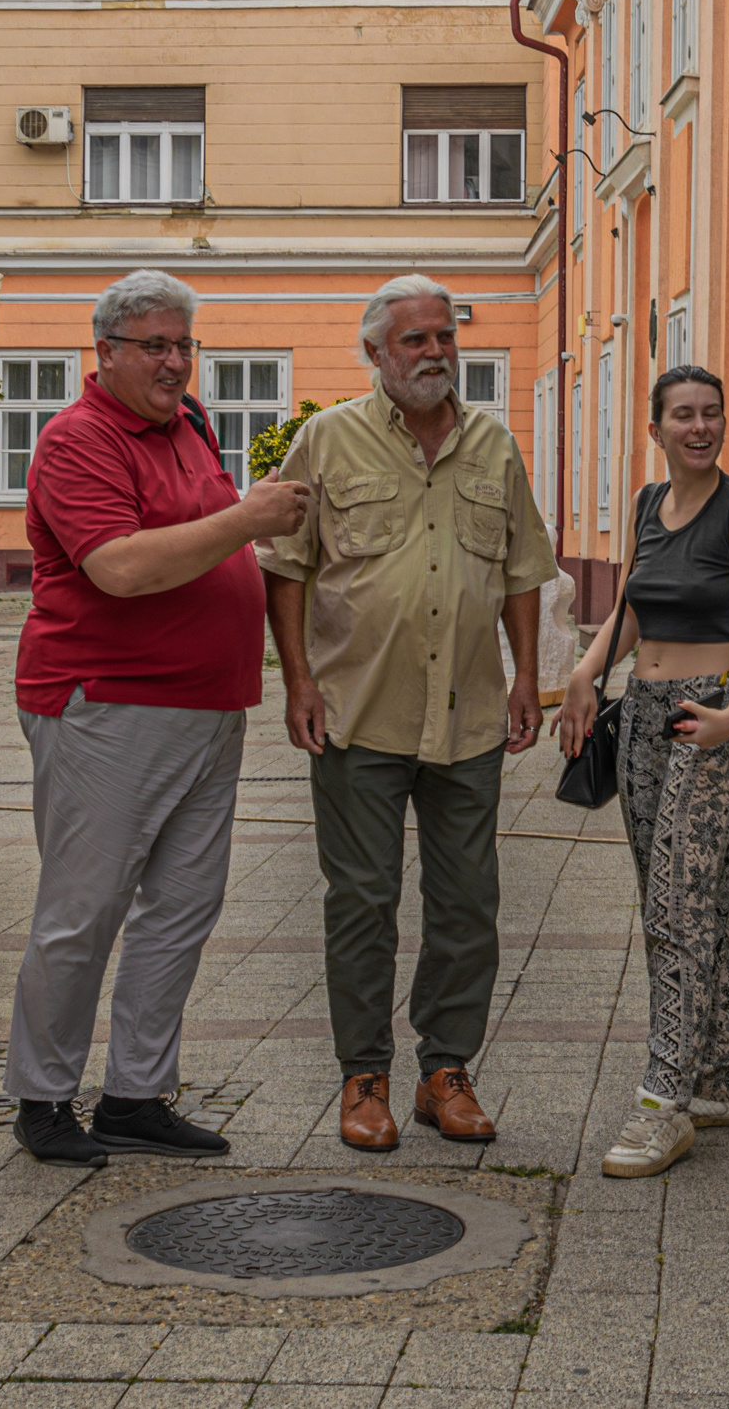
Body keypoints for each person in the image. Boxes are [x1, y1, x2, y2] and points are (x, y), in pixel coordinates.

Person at [5, 269, 310, 1168]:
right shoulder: (78, 439)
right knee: (84, 908)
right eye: (155, 346)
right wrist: (249, 515)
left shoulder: (191, 426)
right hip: (107, 702)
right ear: (104, 353)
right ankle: (45, 1094)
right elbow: (123, 568)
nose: (176, 362)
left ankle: (138, 1092)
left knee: (181, 906)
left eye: (185, 344)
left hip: (206, 705)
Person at [261, 274, 556, 1152]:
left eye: (443, 337)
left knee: (468, 901)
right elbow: (285, 564)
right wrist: (297, 681)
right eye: (415, 340)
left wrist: (526, 678)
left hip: (468, 717)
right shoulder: (326, 440)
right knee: (362, 901)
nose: (435, 353)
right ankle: (363, 1077)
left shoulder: (494, 446)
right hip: (357, 713)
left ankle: (445, 1071)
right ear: (376, 353)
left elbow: (520, 569)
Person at [556, 366, 729, 1178]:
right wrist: (587, 670)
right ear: (656, 429)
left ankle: (663, 1102)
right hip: (644, 717)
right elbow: (634, 608)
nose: (699, 426)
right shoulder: (649, 506)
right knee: (677, 902)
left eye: (712, 413)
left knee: (676, 911)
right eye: (682, 415)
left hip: (709, 717)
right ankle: (726, 1080)